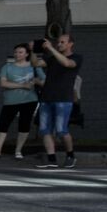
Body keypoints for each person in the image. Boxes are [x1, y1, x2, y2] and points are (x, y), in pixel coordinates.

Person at [0, 43, 43, 162]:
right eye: (16, 52)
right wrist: (22, 85)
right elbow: (3, 83)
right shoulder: (7, 67)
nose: (17, 54)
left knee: (24, 124)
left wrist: (36, 81)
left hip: (29, 100)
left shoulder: (34, 67)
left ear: (27, 54)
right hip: (10, 101)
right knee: (3, 124)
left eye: (20, 52)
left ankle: (18, 151)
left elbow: (44, 81)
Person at [33, 32, 81, 169]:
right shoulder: (51, 58)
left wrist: (51, 49)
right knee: (45, 130)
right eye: (58, 42)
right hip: (47, 97)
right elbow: (36, 63)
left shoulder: (77, 57)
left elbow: (66, 63)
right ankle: (51, 159)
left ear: (70, 44)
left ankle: (70, 155)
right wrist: (32, 51)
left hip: (63, 98)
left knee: (61, 130)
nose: (59, 44)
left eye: (62, 42)